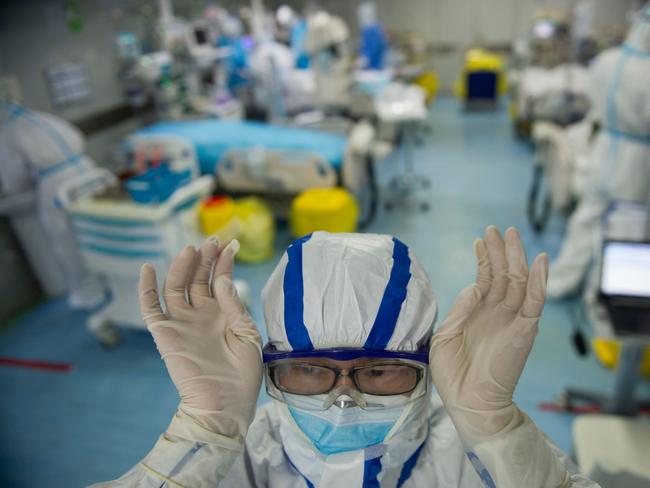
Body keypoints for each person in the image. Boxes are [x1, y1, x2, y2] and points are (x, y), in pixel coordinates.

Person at [93, 229, 599, 487]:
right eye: (309, 369)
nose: (343, 402)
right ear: (270, 368)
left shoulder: (475, 456)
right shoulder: (236, 456)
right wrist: (201, 429)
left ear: (426, 367)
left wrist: (497, 430)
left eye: (378, 371)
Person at [547, 3, 650, 298]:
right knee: (624, 229)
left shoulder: (608, 60)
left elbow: (593, 101)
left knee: (587, 218)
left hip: (605, 149)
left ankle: (559, 283)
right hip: (637, 159)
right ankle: (599, 295)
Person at [0, 101, 104, 308]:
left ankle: (90, 294)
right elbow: (77, 137)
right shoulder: (44, 117)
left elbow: (14, 182)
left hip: (57, 185)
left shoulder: (9, 134)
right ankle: (117, 278)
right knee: (99, 231)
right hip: (87, 170)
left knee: (67, 242)